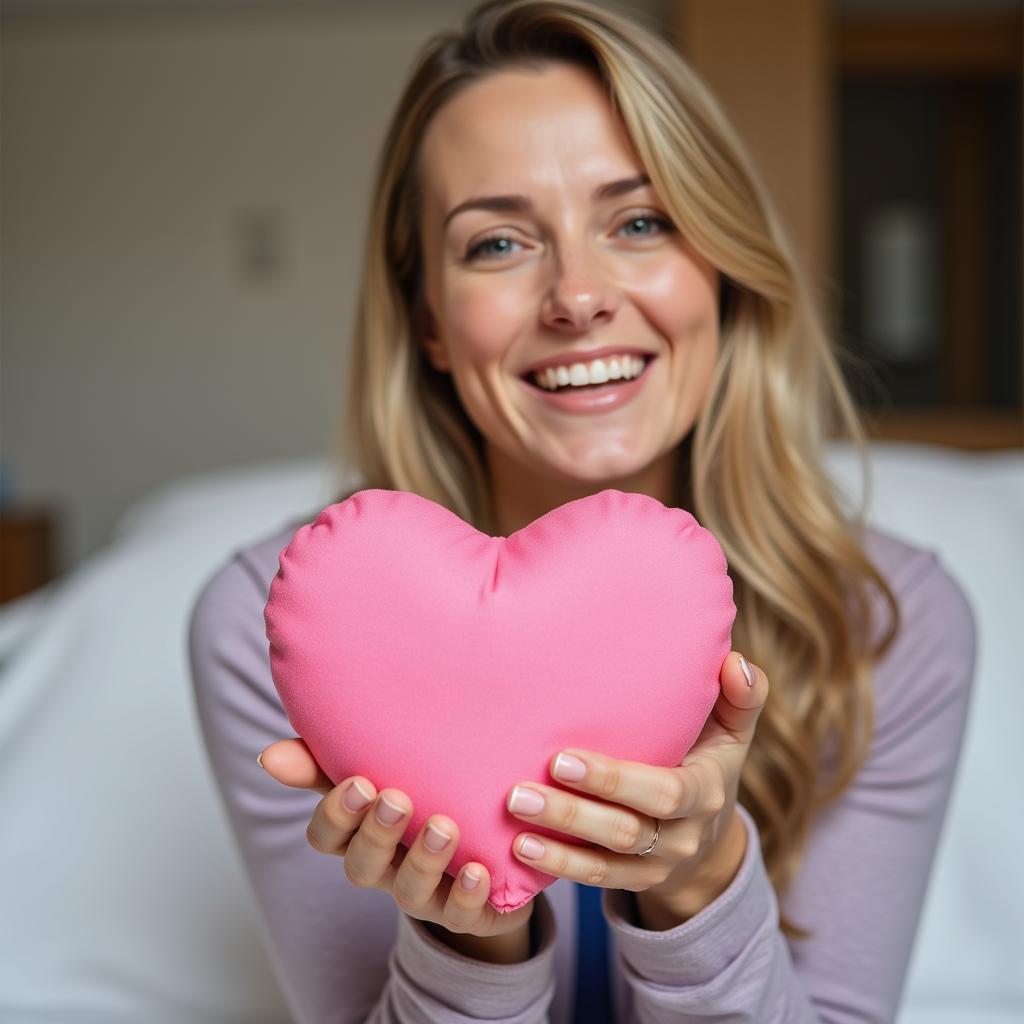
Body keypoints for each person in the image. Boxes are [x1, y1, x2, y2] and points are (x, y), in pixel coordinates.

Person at [187, 1, 977, 1021]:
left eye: (639, 221)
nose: (576, 295)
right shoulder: (281, 627)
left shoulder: (891, 626)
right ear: (428, 317)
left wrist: (700, 878)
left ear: (722, 273)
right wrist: (467, 937)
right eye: (498, 243)